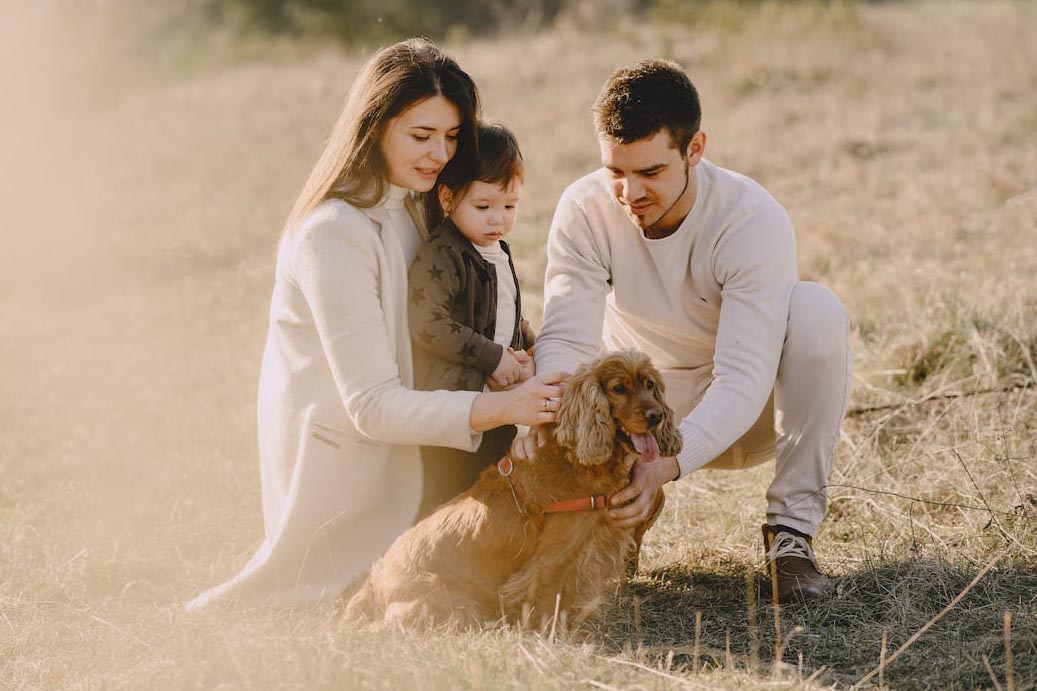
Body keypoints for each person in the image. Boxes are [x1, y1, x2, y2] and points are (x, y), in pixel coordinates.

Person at [187, 39, 565, 610]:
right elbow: (371, 405)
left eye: (452, 136)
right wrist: (507, 408)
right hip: (355, 472)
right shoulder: (332, 234)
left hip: (433, 447)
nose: (440, 153)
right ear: (374, 125)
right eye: (421, 136)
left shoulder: (422, 204)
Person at [525, 59, 852, 603]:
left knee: (818, 310)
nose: (630, 193)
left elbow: (744, 377)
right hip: (636, 410)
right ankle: (611, 513)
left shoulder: (750, 218)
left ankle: (790, 537)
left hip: (748, 413)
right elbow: (566, 340)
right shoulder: (583, 208)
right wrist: (565, 435)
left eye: (651, 173)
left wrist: (667, 465)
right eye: (615, 172)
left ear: (694, 149)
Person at [408, 122, 537, 518]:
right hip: (454, 409)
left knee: (494, 489)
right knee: (449, 497)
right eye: (483, 207)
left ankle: (488, 558)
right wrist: (493, 357)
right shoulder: (443, 253)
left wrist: (529, 347)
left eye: (510, 206)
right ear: (447, 198)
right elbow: (428, 322)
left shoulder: (497, 248)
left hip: (498, 405)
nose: (497, 219)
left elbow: (505, 310)